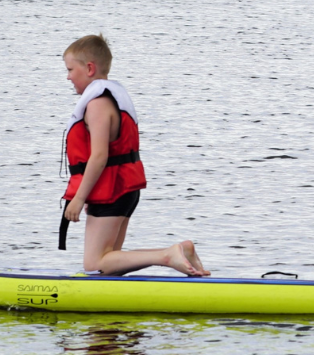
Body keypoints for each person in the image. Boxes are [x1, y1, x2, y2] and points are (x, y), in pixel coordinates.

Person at [60, 34, 208, 277]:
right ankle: (180, 252)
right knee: (109, 263)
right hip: (122, 189)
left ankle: (169, 255)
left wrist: (78, 198)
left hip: (112, 189)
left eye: (69, 69)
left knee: (95, 263)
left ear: (89, 68)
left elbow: (99, 157)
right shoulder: (110, 98)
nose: (67, 77)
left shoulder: (97, 104)